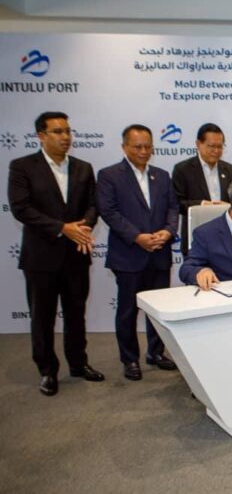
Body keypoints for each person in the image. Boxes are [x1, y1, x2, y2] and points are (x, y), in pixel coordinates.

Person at [8, 111, 105, 396]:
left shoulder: (83, 168)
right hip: (41, 257)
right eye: (58, 131)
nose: (65, 137)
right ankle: (47, 370)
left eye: (67, 131)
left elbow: (93, 205)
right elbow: (21, 208)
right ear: (41, 136)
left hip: (76, 254)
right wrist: (63, 228)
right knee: (43, 317)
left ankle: (78, 363)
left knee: (76, 314)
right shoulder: (23, 167)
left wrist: (83, 227)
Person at [97, 124, 179, 382]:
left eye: (148, 146)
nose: (144, 151)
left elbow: (173, 208)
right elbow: (109, 212)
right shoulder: (109, 175)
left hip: (159, 253)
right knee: (127, 311)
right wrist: (137, 237)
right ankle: (129, 358)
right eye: (137, 147)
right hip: (129, 255)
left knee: (158, 309)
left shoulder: (162, 175)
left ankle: (156, 352)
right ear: (124, 147)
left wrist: (168, 231)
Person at [172, 123, 232, 255]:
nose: (216, 151)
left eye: (220, 146)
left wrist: (228, 205)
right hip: (196, 236)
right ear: (198, 144)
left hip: (226, 238)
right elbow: (177, 203)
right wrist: (202, 205)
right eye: (211, 146)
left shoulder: (230, 170)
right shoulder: (183, 169)